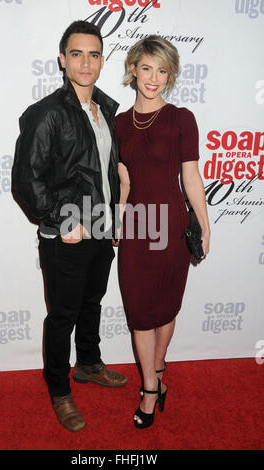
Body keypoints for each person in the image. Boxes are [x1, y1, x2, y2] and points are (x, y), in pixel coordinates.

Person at [11, 20, 127, 433]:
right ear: (62, 59)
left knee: (91, 303)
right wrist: (62, 221)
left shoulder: (107, 110)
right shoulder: (46, 114)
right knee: (62, 315)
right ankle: (59, 388)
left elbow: (106, 174)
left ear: (101, 61)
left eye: (94, 54)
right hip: (66, 234)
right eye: (76, 53)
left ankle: (89, 364)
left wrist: (112, 219)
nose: (85, 62)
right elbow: (26, 181)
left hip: (100, 228)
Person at [115, 35, 210, 429]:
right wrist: (118, 223)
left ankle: (155, 370)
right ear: (133, 69)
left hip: (171, 226)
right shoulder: (119, 123)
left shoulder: (181, 118)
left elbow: (191, 176)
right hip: (138, 229)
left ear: (169, 76)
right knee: (139, 314)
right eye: (147, 67)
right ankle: (151, 389)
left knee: (167, 306)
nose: (153, 78)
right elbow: (124, 181)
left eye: (162, 70)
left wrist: (203, 225)